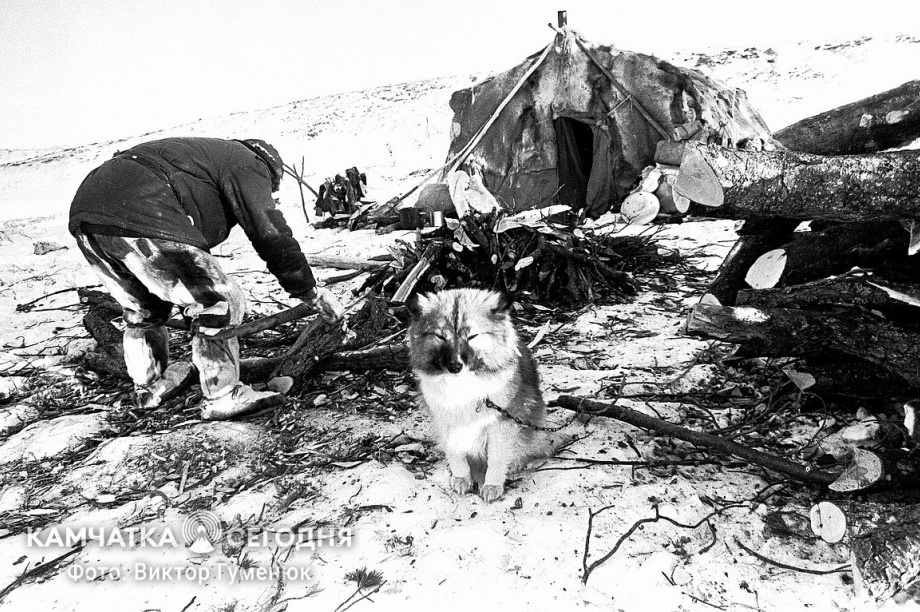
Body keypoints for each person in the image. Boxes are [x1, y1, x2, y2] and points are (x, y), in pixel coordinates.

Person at [69, 137, 343, 420]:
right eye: (269, 187)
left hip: (88, 215)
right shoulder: (247, 162)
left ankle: (149, 387)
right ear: (269, 168)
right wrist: (309, 291)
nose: (267, 191)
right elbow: (270, 230)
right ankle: (222, 395)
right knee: (218, 301)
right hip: (144, 209)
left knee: (143, 310)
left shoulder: (207, 156)